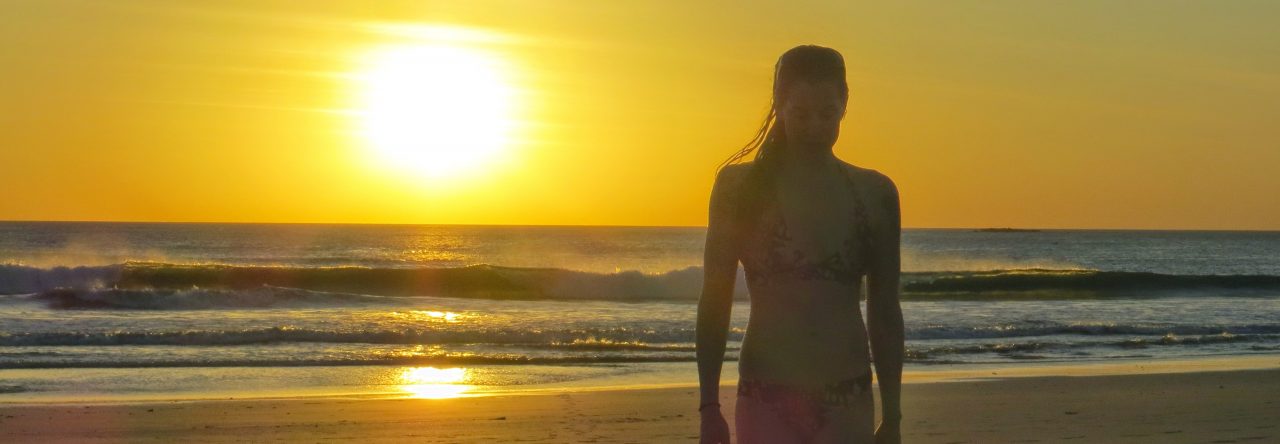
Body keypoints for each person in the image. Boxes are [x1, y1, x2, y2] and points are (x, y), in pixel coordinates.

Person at [696, 45, 904, 444]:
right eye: (801, 114)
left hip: (848, 397)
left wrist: (892, 414)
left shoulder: (875, 194)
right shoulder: (739, 189)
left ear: (845, 105)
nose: (815, 127)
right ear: (779, 104)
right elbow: (714, 300)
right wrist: (709, 407)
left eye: (827, 114)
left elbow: (885, 310)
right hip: (765, 396)